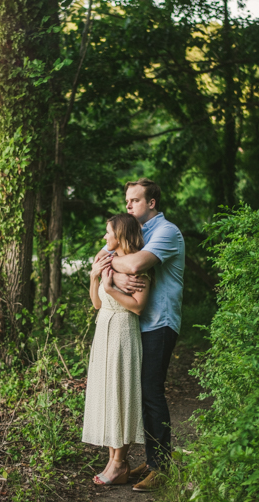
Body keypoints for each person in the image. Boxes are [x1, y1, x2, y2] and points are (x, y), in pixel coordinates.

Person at [96, 178, 185, 492]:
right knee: (138, 392)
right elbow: (97, 262)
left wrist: (112, 266)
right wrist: (110, 267)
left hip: (159, 322)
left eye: (135, 200)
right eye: (127, 201)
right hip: (135, 325)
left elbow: (134, 265)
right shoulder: (131, 231)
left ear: (152, 203)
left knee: (150, 390)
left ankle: (161, 468)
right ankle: (151, 459)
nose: (128, 206)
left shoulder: (166, 232)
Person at [82, 213, 152, 486]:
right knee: (109, 394)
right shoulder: (106, 261)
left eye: (108, 232)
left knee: (121, 393)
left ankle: (120, 462)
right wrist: (94, 277)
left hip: (124, 331)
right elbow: (96, 304)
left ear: (120, 235)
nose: (104, 237)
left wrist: (110, 288)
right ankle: (114, 463)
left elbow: (137, 306)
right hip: (104, 331)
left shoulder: (139, 268)